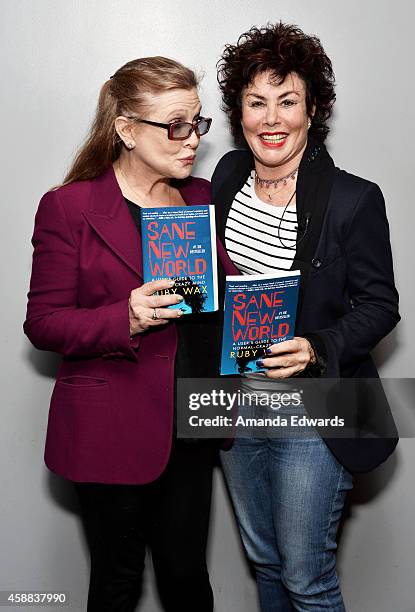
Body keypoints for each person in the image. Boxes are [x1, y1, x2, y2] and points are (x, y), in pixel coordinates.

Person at [213, 23, 400, 611]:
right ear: (238, 112)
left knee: (305, 578)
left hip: (314, 413)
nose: (272, 119)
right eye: (256, 102)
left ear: (311, 109)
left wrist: (317, 345)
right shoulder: (223, 181)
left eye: (287, 101)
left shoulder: (353, 198)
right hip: (238, 405)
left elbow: (380, 305)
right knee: (266, 562)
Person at [24, 56, 217, 612]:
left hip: (191, 425)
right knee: (116, 583)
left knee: (187, 582)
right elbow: (43, 322)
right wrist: (123, 318)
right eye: (175, 125)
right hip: (110, 428)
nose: (191, 141)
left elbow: (218, 305)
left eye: (197, 123)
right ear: (126, 129)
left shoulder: (202, 198)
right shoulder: (69, 207)